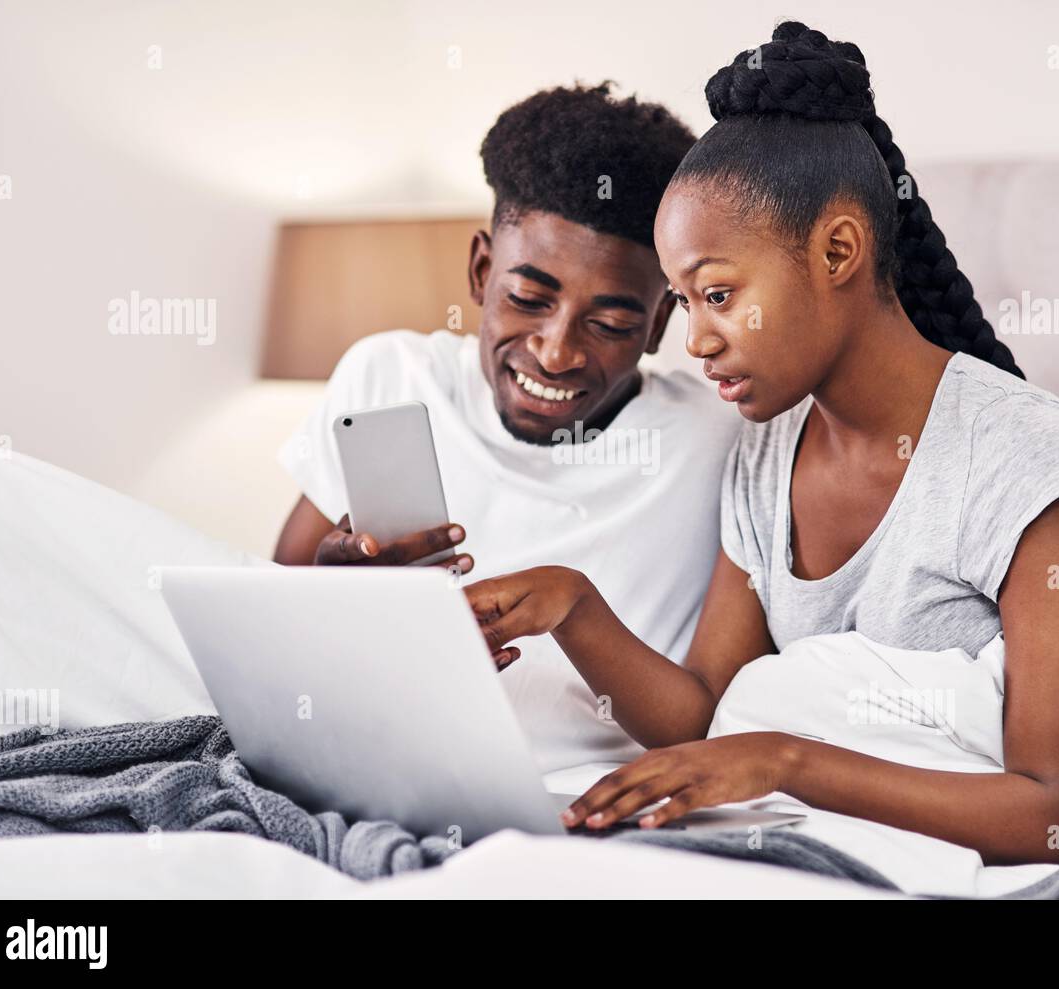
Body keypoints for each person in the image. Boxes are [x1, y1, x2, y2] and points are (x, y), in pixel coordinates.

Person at [463, 23, 1059, 866]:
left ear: (838, 251)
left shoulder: (1021, 457)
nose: (697, 342)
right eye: (685, 301)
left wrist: (785, 759)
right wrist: (572, 604)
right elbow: (704, 713)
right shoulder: (767, 448)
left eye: (718, 293)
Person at [273, 83, 740, 771]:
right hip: (370, 761)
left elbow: (704, 723)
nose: (556, 352)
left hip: (568, 797)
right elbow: (272, 621)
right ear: (481, 270)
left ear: (659, 323)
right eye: (527, 299)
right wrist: (334, 589)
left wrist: (575, 607)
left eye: (610, 324)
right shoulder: (391, 376)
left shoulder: (718, 442)